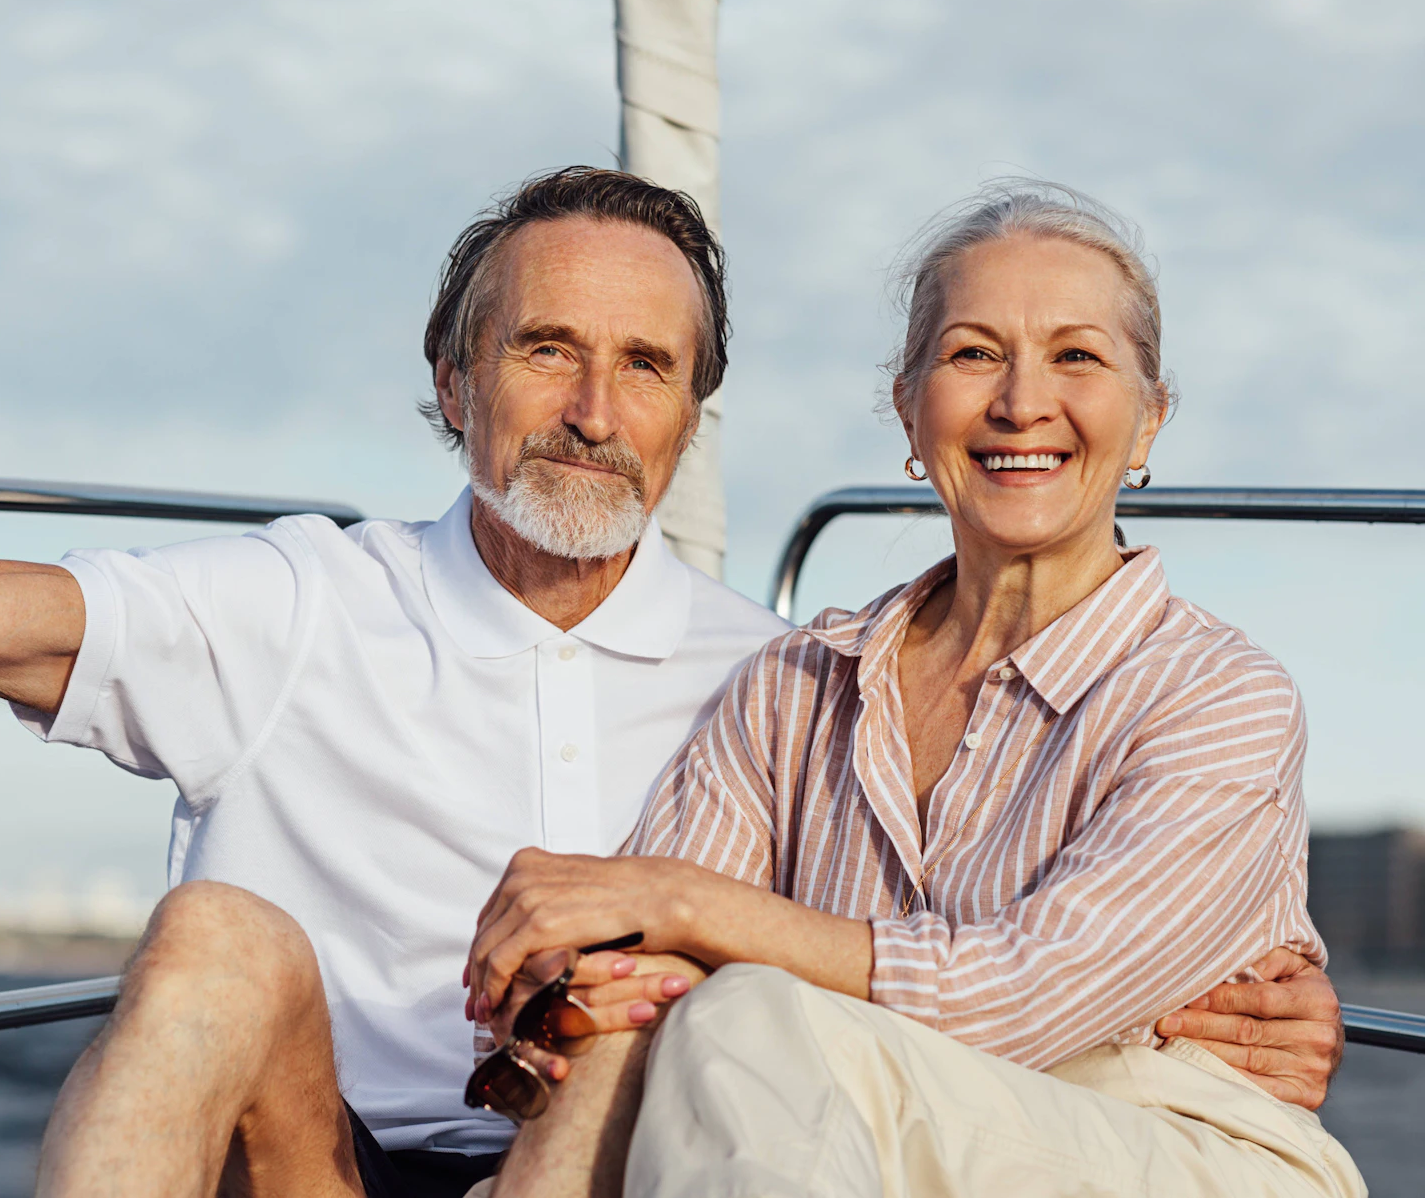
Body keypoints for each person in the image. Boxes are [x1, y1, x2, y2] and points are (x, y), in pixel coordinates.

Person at [0, 171, 1340, 1198]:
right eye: (546, 349)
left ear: (689, 414)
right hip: (320, 1156)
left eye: (647, 364)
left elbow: (958, 968)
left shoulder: (771, 663)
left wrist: (1231, 1004)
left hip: (606, 1163)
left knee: (655, 1001)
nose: (595, 403)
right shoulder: (309, 598)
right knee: (221, 935)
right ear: (454, 386)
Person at [464, 182, 1363, 1198]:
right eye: (972, 353)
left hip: (1163, 1141)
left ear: (1147, 418)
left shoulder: (1217, 696)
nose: (1021, 401)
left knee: (743, 1013)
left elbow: (1017, 1000)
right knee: (698, 1020)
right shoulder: (793, 687)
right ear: (908, 405)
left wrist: (683, 901)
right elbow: (628, 972)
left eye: (1075, 355)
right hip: (849, 1133)